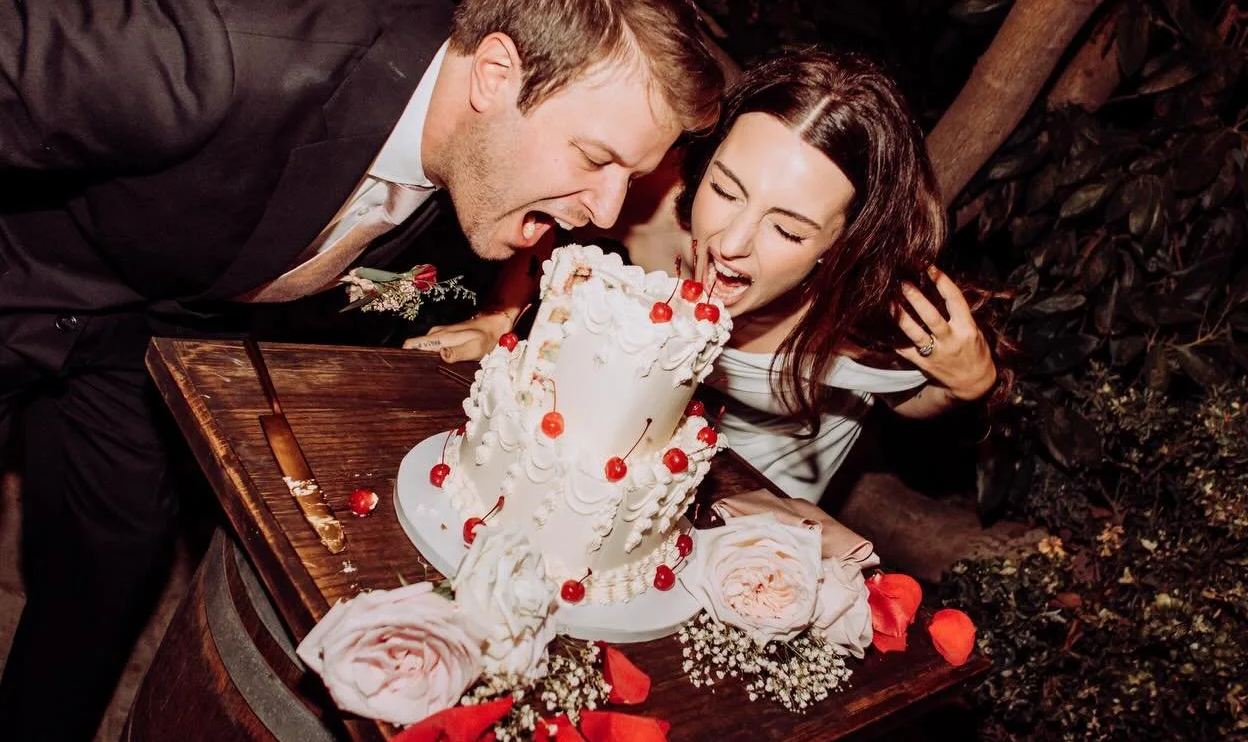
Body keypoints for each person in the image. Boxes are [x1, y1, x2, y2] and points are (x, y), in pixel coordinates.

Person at [0, 0, 722, 742]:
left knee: (115, 554)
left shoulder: (472, 157)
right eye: (597, 159)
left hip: (133, 324)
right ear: (494, 74)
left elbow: (373, 273)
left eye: (629, 178)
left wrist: (487, 319)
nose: (608, 210)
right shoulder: (194, 40)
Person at [408, 44, 1005, 503]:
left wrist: (966, 386)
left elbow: (907, 397)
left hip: (763, 508)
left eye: (788, 230)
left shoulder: (871, 311)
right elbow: (549, 229)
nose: (730, 243)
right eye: (725, 189)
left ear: (843, 243)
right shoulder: (643, 204)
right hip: (610, 474)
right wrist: (501, 316)